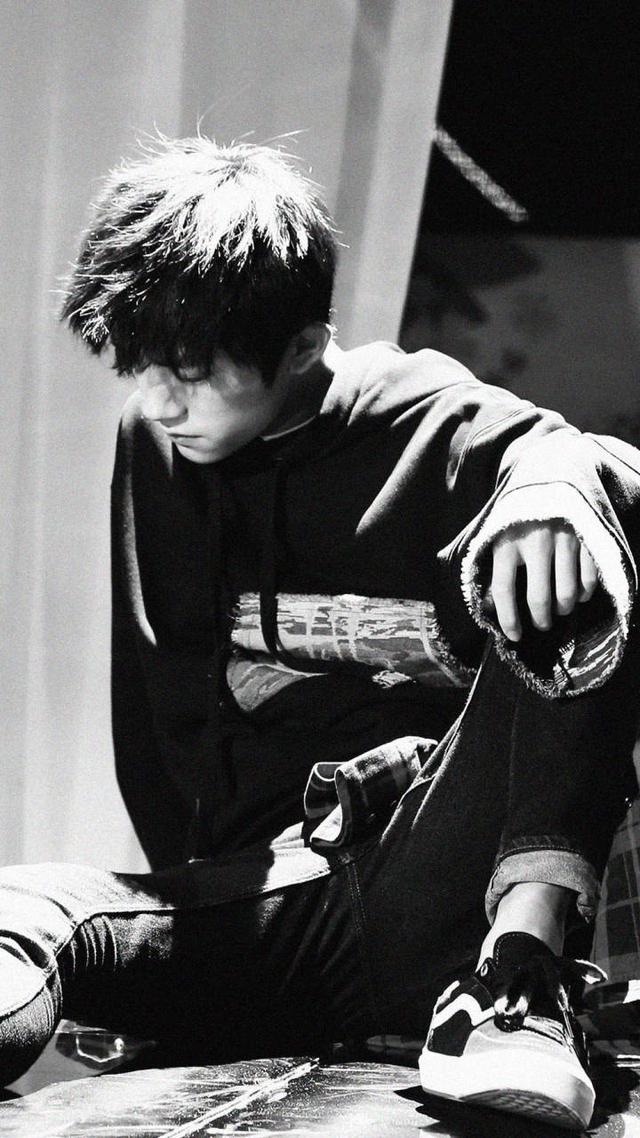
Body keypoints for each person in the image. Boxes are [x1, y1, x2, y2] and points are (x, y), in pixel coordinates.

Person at [1, 137, 639, 1129]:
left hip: (428, 877)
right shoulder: (156, 443)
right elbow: (163, 718)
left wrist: (555, 489)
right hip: (269, 907)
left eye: (189, 372)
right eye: (142, 368)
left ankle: (519, 980)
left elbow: (585, 459)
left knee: (578, 518)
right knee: (28, 910)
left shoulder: (435, 423)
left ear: (302, 346)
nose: (159, 400)